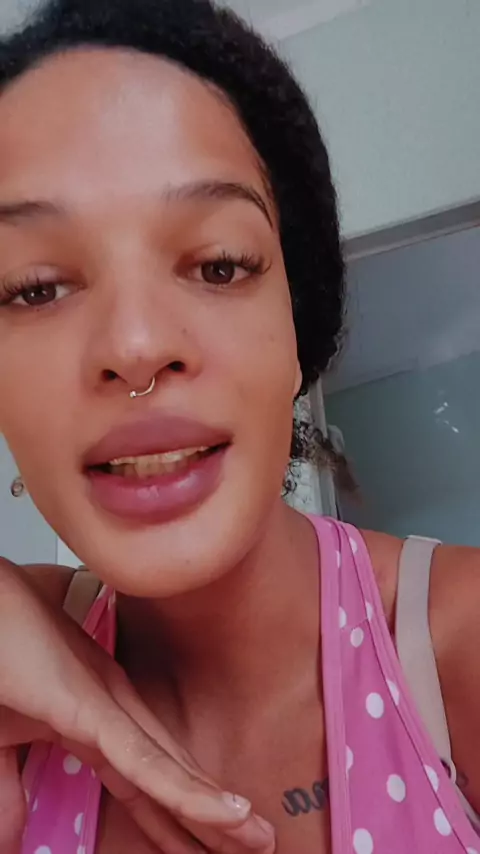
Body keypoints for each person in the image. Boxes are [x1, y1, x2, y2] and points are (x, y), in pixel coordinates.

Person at [0, 1, 479, 852]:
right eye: (36, 288)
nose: (135, 346)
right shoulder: (19, 672)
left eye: (220, 266)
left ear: (297, 335)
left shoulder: (462, 642)